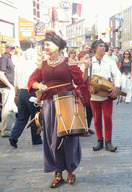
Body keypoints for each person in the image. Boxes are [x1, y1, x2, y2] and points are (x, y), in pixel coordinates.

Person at [27, 29, 90, 188]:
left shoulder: (69, 61)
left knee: (69, 138)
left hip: (67, 103)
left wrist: (87, 70)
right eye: (45, 45)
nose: (45, 47)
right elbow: (32, 81)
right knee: (52, 139)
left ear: (58, 46)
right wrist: (39, 85)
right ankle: (57, 172)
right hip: (49, 106)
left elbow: (80, 81)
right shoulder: (43, 64)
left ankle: (70, 170)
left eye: (48, 44)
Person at [90, 39, 121, 152]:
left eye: (104, 46)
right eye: (100, 46)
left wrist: (116, 86)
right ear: (95, 48)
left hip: (107, 94)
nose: (103, 48)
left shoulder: (109, 61)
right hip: (94, 95)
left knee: (107, 118)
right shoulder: (90, 61)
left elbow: (117, 74)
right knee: (97, 119)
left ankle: (108, 141)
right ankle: (99, 140)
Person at [9, 48, 42, 148]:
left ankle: (13, 136)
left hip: (21, 92)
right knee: (35, 116)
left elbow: (16, 83)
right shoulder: (34, 66)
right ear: (33, 56)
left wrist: (16, 95)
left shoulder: (18, 66)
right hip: (31, 92)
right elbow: (35, 83)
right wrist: (39, 97)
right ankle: (36, 139)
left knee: (22, 117)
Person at [0, 42, 17, 137]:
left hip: (9, 87)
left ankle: (7, 128)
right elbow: (1, 74)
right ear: (6, 48)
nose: (13, 50)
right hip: (6, 88)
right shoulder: (4, 58)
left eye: (14, 48)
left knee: (10, 109)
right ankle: (6, 130)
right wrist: (10, 86)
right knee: (7, 109)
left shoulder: (9, 58)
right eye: (11, 48)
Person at [77, 50, 95, 136]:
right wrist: (86, 68)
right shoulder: (79, 67)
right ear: (81, 59)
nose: (89, 59)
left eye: (89, 57)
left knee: (90, 109)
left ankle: (87, 127)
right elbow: (82, 80)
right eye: (86, 58)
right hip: (82, 90)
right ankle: (83, 128)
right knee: (83, 110)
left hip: (88, 89)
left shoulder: (89, 65)